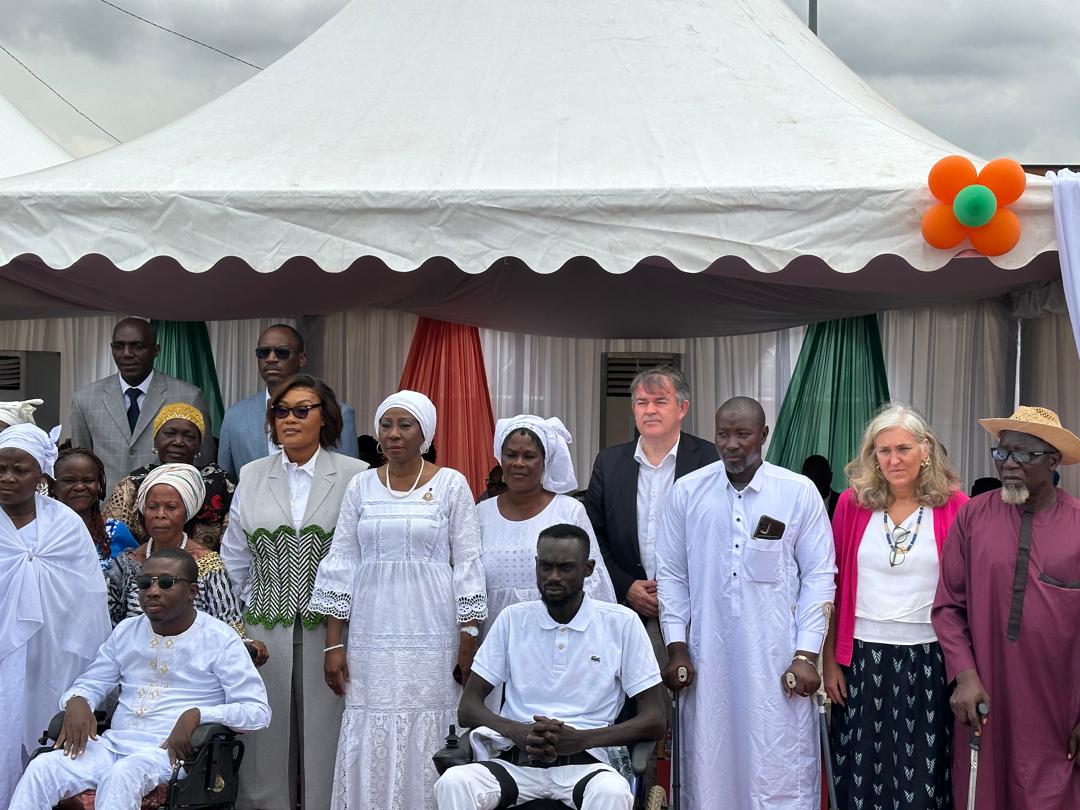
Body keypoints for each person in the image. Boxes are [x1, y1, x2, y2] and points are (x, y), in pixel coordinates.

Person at [310, 390, 487, 809]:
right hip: (372, 630)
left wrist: (469, 633)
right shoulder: (360, 486)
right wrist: (334, 643)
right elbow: (342, 563)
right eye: (386, 425)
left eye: (405, 425)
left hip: (433, 629)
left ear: (425, 433)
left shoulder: (451, 484)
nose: (393, 434)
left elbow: (468, 563)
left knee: (431, 717)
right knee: (370, 716)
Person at [656, 396, 835, 809]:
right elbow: (672, 576)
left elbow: (819, 577)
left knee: (777, 764)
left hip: (777, 660)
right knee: (709, 763)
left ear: (764, 435)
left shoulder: (797, 492)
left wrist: (807, 655)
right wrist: (677, 647)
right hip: (708, 660)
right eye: (723, 433)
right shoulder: (687, 492)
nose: (732, 444)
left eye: (743, 433)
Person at [9, 548, 272, 810]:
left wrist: (199, 714)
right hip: (112, 746)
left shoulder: (220, 639)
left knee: (123, 774)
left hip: (170, 755)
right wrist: (77, 700)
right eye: (145, 583)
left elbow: (257, 711)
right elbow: (92, 682)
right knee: (42, 768)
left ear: (192, 591)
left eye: (167, 583)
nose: (153, 591)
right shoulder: (126, 631)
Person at [434, 524, 666, 810]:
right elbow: (468, 708)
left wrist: (580, 739)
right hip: (515, 762)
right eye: (545, 566)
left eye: (566, 568)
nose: (553, 577)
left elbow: (656, 719)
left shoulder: (621, 624)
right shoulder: (512, 620)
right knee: (454, 783)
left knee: (613, 792)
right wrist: (517, 730)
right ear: (536, 565)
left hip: (587, 766)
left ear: (588, 568)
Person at [220, 373, 368, 810]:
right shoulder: (250, 475)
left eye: (302, 410)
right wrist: (243, 623)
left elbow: (364, 557)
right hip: (265, 631)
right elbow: (234, 561)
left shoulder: (355, 475)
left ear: (325, 418)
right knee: (263, 746)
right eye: (281, 411)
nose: (289, 419)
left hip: (335, 634)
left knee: (328, 741)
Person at [933, 405, 1080, 809]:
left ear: (1052, 460)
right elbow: (948, 607)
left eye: (1024, 455)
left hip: (1057, 710)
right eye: (1002, 453)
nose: (1009, 464)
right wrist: (963, 676)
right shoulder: (972, 518)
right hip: (984, 702)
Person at [822, 404, 967, 810]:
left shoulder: (955, 506)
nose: (893, 459)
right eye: (883, 450)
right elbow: (832, 587)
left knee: (923, 771)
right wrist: (831, 660)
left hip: (930, 659)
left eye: (903, 448)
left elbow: (967, 592)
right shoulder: (852, 504)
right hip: (862, 658)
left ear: (925, 450)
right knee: (862, 769)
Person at [0, 424, 111, 807]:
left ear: (41, 474)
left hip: (52, 660)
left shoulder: (65, 524)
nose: (8, 478)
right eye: (0, 468)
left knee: (38, 745)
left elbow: (88, 600)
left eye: (20, 469)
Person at [586, 366, 718, 649]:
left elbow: (720, 535)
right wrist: (626, 586)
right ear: (633, 409)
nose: (650, 410)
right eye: (642, 403)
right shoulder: (608, 464)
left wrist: (676, 591)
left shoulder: (709, 459)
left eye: (660, 401)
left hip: (694, 609)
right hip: (626, 607)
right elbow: (593, 535)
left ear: (682, 408)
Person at [105, 463, 267, 665]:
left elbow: (228, 621)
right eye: (152, 507)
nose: (160, 514)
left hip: (194, 668)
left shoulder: (207, 563)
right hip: (136, 666)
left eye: (171, 507)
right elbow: (111, 624)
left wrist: (245, 645)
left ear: (187, 512)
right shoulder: (127, 563)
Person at [479, 415, 615, 638]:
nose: (518, 463)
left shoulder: (569, 511)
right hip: (494, 642)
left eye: (529, 456)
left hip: (560, 639)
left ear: (545, 461)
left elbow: (594, 583)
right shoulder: (481, 514)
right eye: (511, 455)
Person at [69, 318, 212, 497]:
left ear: (156, 350)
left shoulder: (188, 397)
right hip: (106, 514)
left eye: (137, 346)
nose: (127, 353)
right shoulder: (85, 398)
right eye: (119, 346)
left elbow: (204, 463)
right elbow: (81, 465)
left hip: (167, 512)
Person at [217, 324, 359, 478]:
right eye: (263, 353)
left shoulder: (338, 412)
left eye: (281, 353)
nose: (271, 359)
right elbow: (226, 485)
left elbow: (349, 480)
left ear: (301, 359)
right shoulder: (235, 416)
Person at [104, 402, 235, 550]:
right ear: (155, 439)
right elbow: (111, 540)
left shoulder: (221, 484)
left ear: (199, 444)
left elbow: (233, 544)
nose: (178, 442)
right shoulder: (133, 484)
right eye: (169, 433)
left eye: (189, 436)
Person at [52, 447, 138, 571]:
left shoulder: (116, 531)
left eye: (88, 480)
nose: (80, 487)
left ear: (99, 485)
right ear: (54, 485)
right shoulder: (40, 530)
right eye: (69, 481)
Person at [801, 453, 842, 519]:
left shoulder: (841, 503)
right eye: (813, 485)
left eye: (820, 486)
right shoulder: (798, 504)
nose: (817, 491)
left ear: (830, 478)